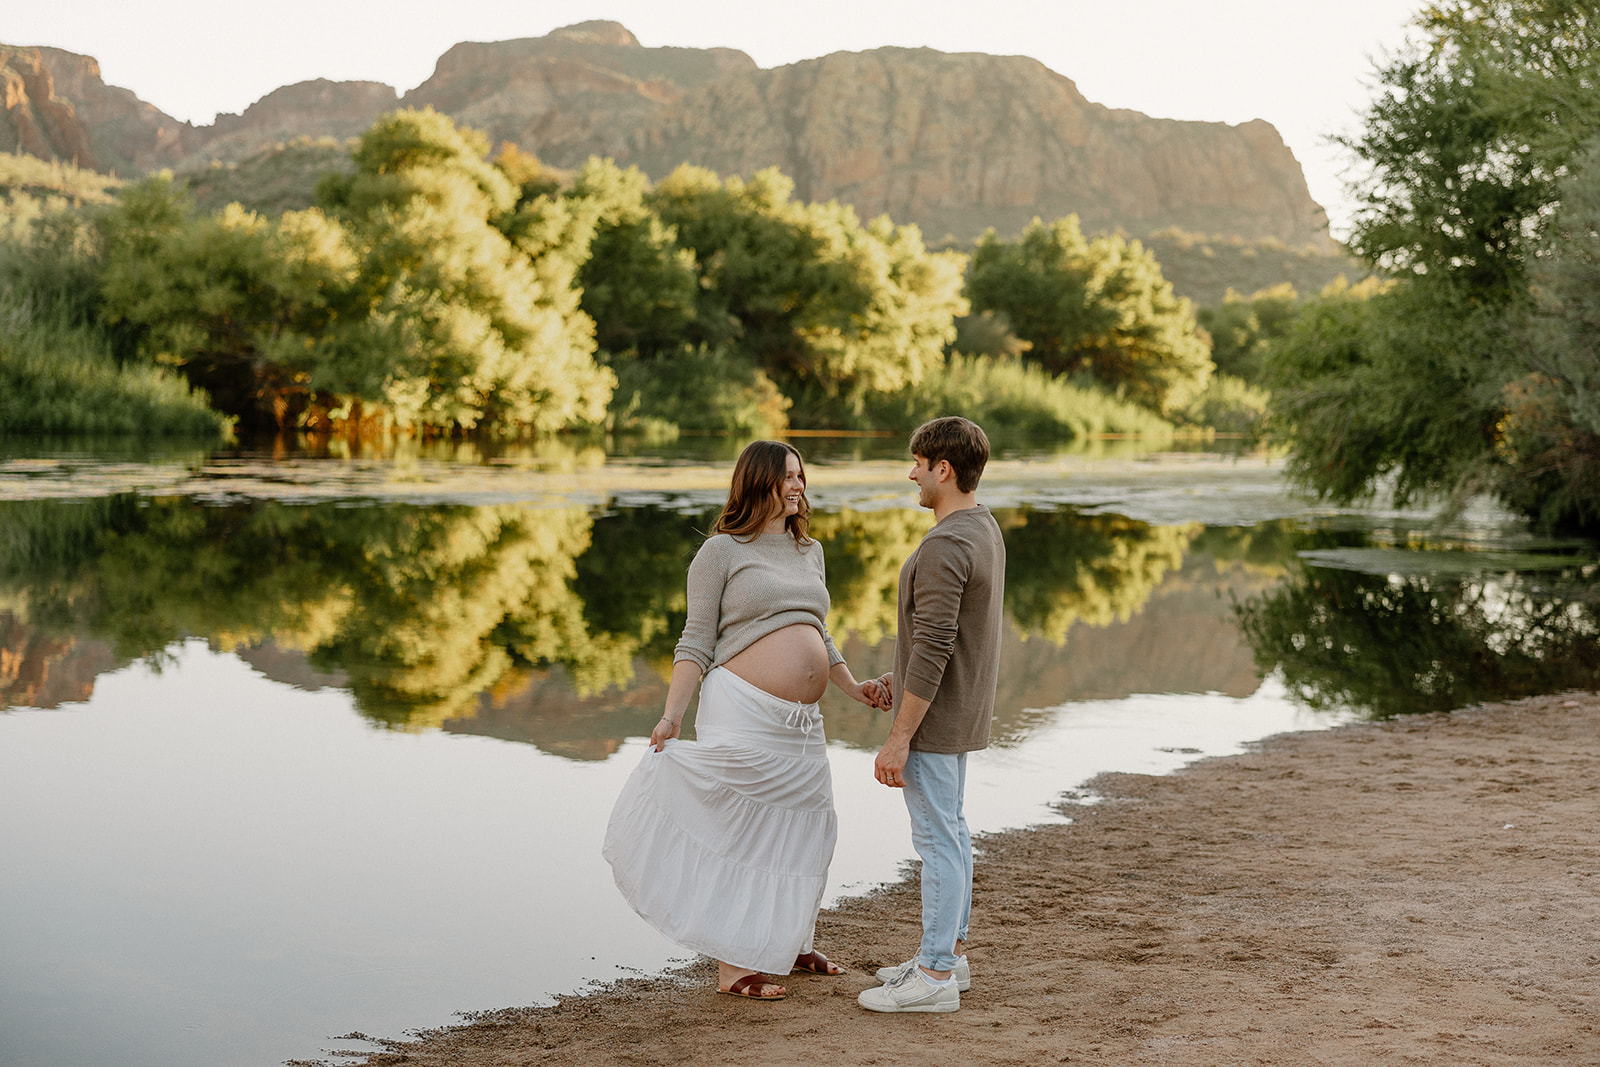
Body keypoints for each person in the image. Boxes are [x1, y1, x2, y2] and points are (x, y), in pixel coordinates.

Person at [602, 439, 888, 1001]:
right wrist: (671, 716)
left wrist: (853, 687)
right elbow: (696, 639)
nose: (798, 486)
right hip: (743, 710)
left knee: (809, 824)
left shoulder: (811, 551)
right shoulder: (720, 552)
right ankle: (734, 966)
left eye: (801, 476)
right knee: (746, 830)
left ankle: (792, 941)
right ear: (756, 481)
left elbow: (818, 632)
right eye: (786, 476)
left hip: (802, 722)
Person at [858, 416, 1006, 1014]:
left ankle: (936, 973)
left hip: (937, 722)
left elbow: (938, 644)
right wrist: (902, 673)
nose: (911, 473)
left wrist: (898, 739)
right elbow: (948, 636)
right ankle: (951, 955)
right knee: (953, 832)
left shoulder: (945, 544)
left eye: (918, 463)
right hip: (958, 708)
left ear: (943, 470)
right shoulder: (982, 527)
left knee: (938, 841)